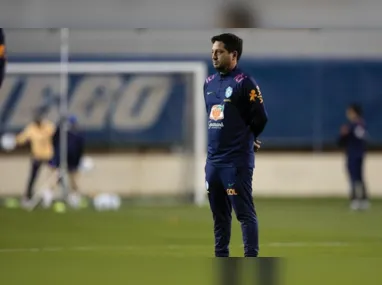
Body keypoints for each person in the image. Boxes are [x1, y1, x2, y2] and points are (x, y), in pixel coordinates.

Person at [204, 33, 268, 257]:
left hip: (235, 162)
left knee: (243, 213)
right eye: (212, 51)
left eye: (219, 52)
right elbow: (215, 119)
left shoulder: (245, 82)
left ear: (233, 55)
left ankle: (251, 259)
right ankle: (221, 259)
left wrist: (249, 139)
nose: (214, 55)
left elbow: (260, 118)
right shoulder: (209, 83)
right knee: (219, 216)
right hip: (213, 162)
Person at [43, 115, 85, 208]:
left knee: (73, 180)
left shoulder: (78, 135)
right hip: (60, 159)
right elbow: (54, 141)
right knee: (55, 178)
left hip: (72, 161)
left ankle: (74, 199)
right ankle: (48, 197)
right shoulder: (61, 133)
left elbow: (79, 149)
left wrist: (77, 161)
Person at [15, 111, 56, 207]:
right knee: (33, 176)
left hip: (48, 155)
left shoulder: (49, 126)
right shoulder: (31, 128)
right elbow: (22, 138)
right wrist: (15, 140)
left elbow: (56, 135)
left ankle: (51, 193)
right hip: (37, 156)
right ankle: (28, 195)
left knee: (56, 174)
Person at [338, 103, 369, 210]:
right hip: (358, 153)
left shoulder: (354, 126)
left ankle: (356, 199)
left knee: (355, 177)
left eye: (350, 112)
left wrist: (344, 134)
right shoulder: (361, 125)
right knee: (358, 177)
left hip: (354, 154)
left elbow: (357, 138)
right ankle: (363, 199)